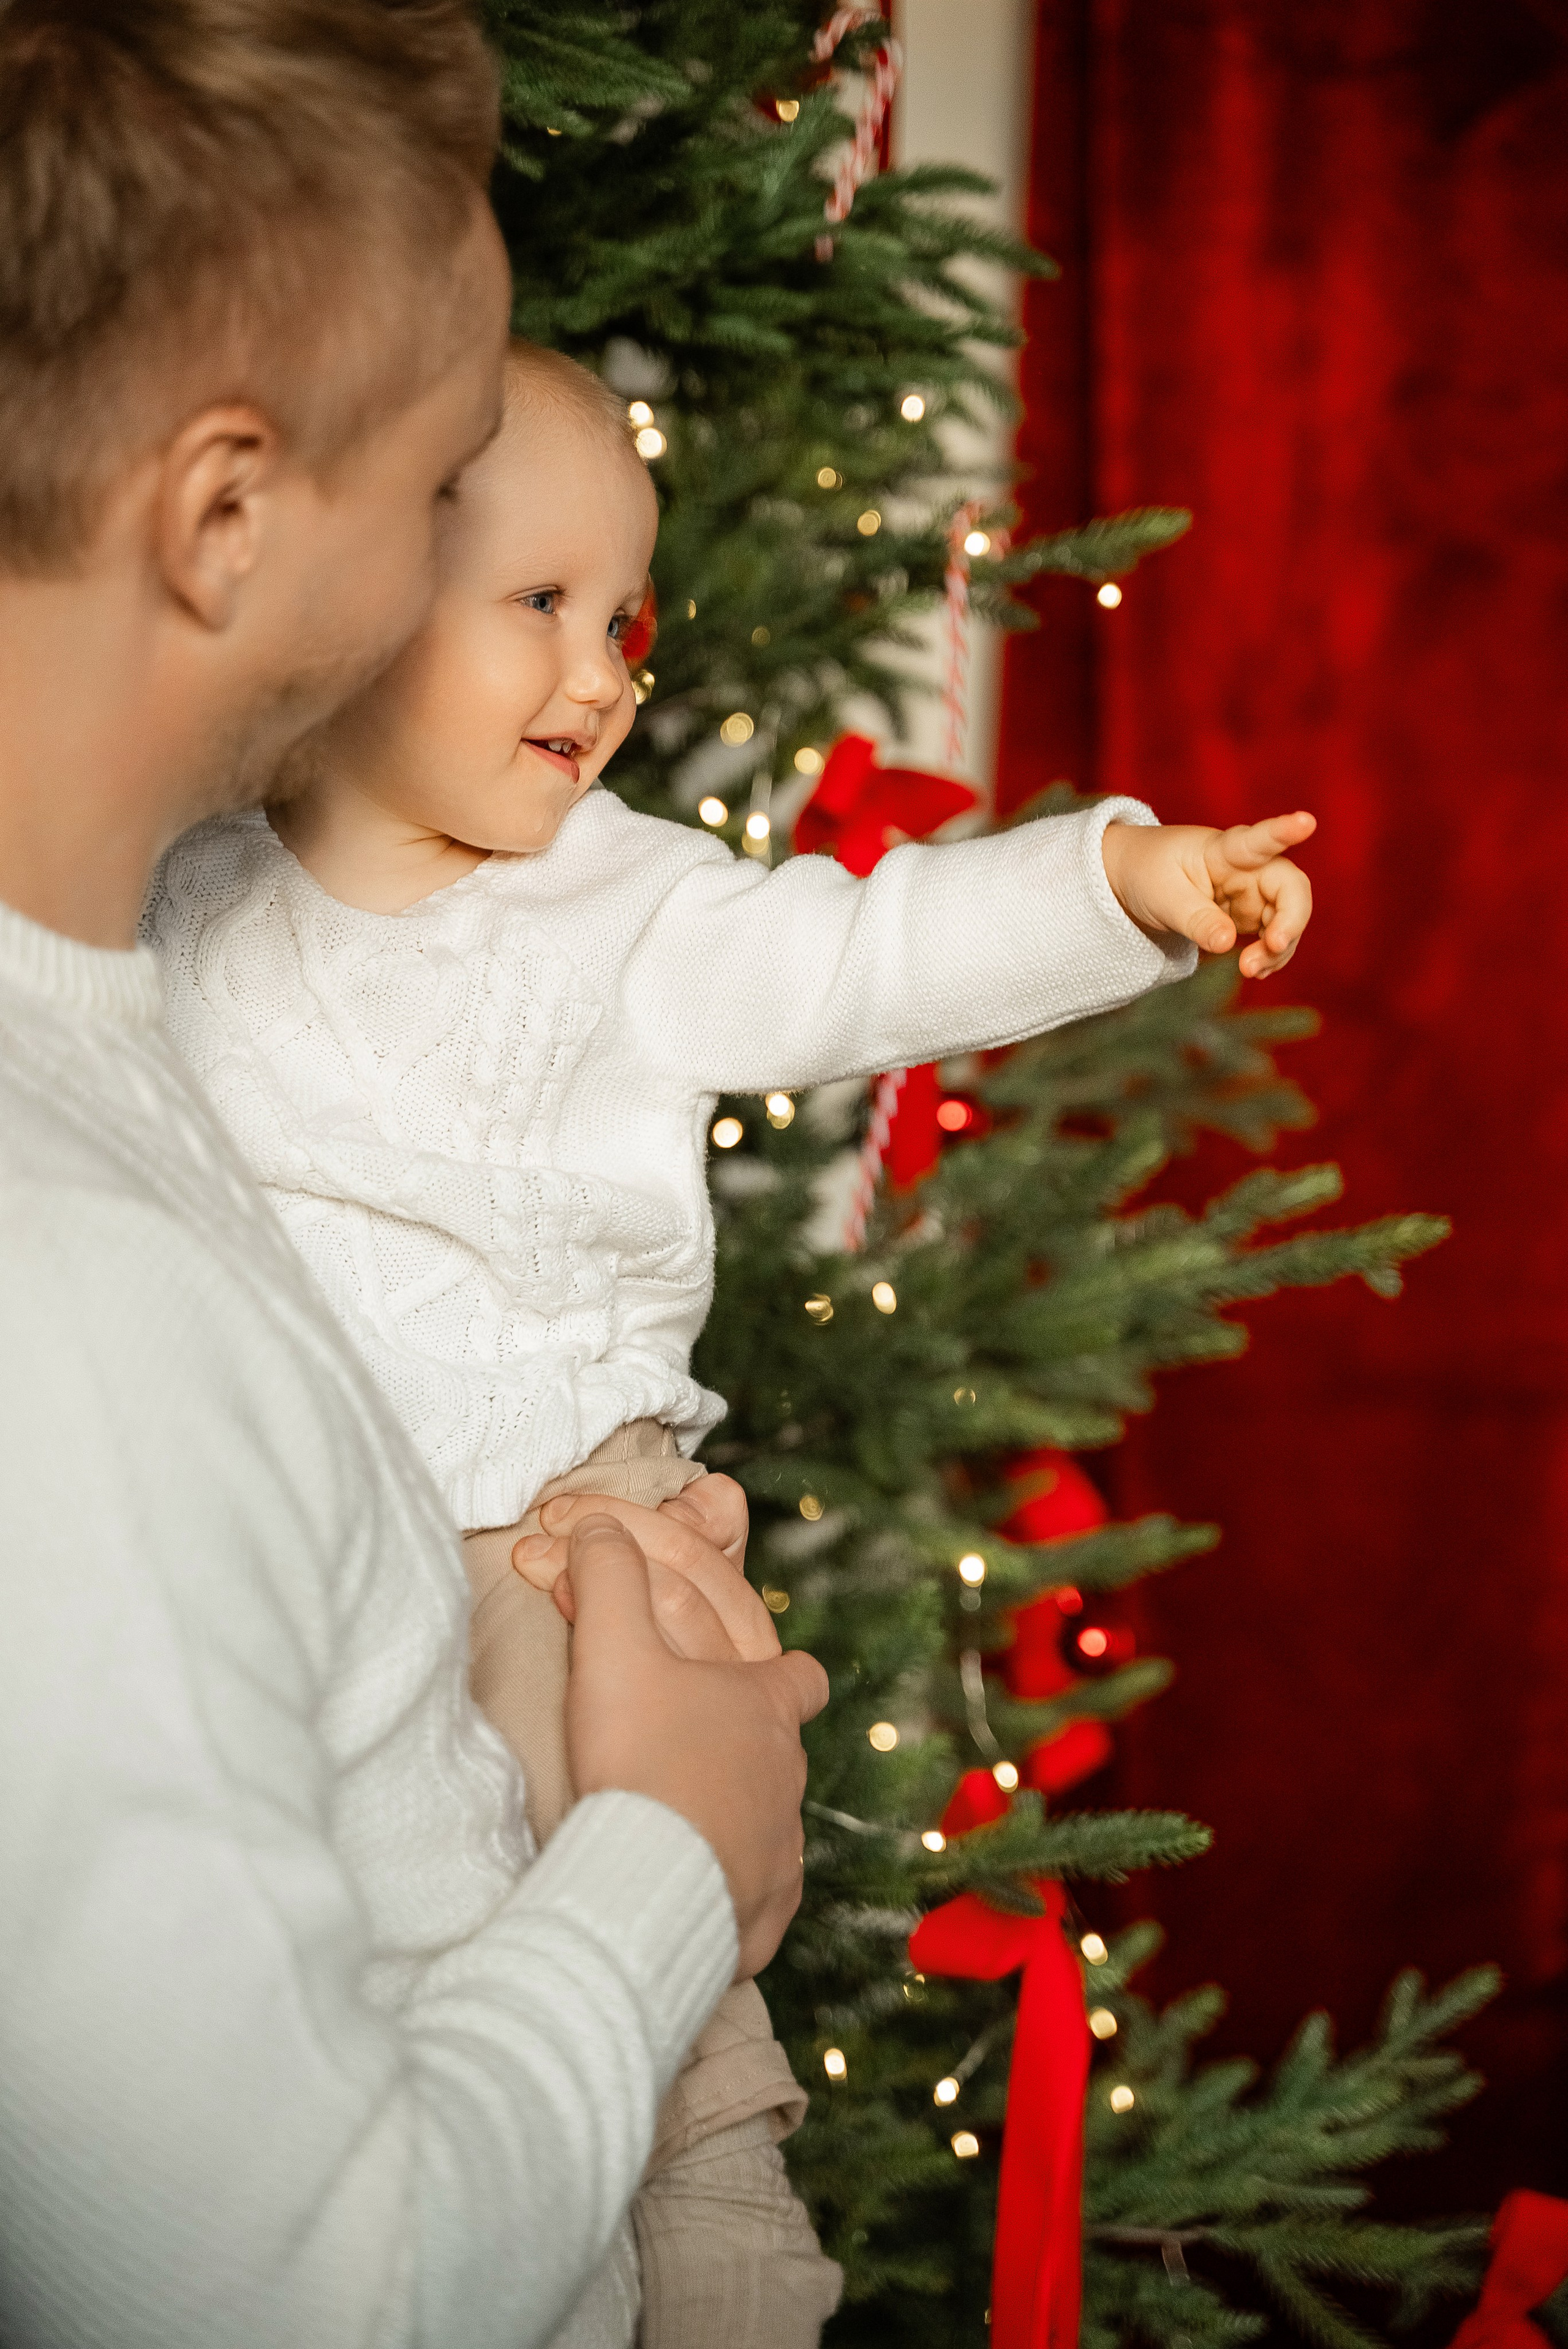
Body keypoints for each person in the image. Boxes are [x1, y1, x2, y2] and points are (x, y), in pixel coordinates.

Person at [142, 342, 1317, 2336]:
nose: (601, 675)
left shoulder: (628, 910)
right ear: (344, 595)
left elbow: (867, 951)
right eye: (539, 604)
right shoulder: (185, 885)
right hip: (275, 1556)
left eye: (626, 620)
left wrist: (1119, 881)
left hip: (552, 1541)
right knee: (342, 2027)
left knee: (657, 2027)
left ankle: (730, 2276)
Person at [0, 10, 827, 2349]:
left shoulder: (129, 1036)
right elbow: (277, 2292)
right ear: (226, 518)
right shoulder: (56, 1280)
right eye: (452, 475)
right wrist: (671, 1854)